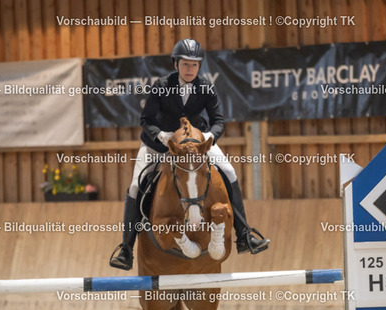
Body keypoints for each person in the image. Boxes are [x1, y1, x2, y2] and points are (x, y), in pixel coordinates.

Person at [110, 38, 269, 270]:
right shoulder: (161, 85)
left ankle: (244, 235)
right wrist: (161, 135)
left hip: (196, 145)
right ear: (176, 64)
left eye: (194, 65)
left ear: (199, 66)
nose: (189, 69)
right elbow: (146, 120)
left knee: (229, 172)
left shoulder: (206, 87)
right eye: (185, 64)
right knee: (135, 186)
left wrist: (208, 137)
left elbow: (218, 121)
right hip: (160, 144)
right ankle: (126, 248)